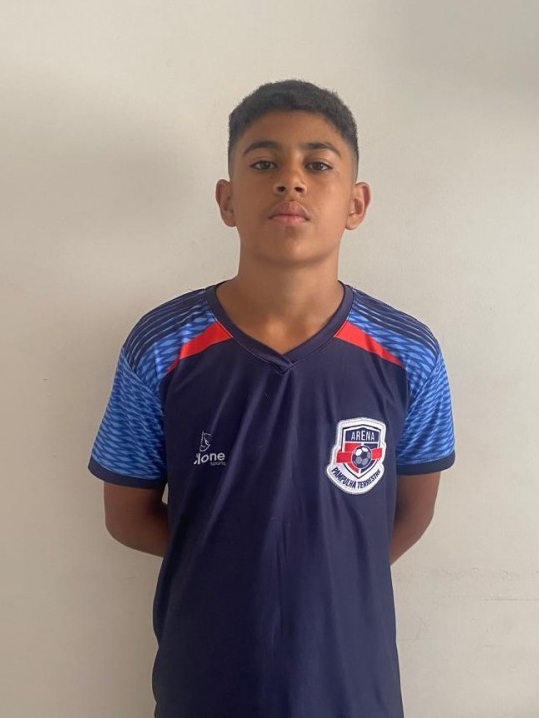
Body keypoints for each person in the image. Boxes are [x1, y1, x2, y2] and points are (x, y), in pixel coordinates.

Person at [89, 79, 455, 718]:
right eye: (264, 164)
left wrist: (324, 568)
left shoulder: (409, 353)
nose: (291, 181)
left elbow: (411, 511)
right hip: (206, 684)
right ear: (227, 200)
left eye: (318, 165)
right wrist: (238, 557)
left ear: (356, 203)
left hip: (352, 687)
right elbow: (127, 516)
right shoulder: (162, 345)